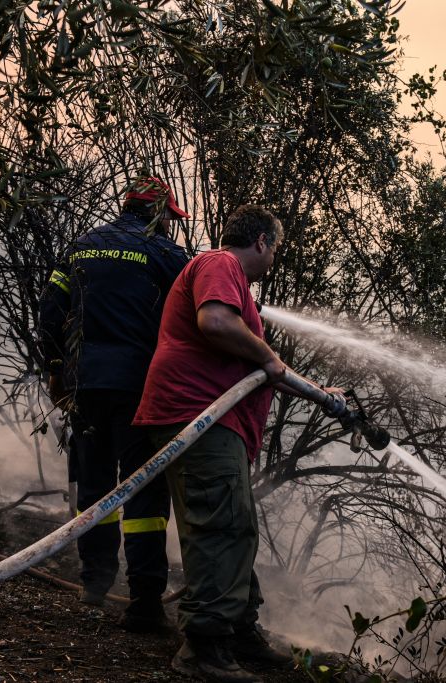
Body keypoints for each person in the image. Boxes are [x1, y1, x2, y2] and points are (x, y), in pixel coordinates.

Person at [134, 205, 341, 682]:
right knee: (221, 526)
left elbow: (260, 371)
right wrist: (268, 356)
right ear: (262, 242)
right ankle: (204, 648)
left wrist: (322, 395)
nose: (275, 260)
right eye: (276, 250)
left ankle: (238, 631)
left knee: (237, 525)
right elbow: (216, 325)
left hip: (211, 421)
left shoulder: (235, 291)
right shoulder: (220, 264)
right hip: (198, 417)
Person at [38, 176, 191, 632]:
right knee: (143, 489)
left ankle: (94, 585)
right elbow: (194, 310)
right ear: (159, 214)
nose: (169, 224)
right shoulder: (165, 254)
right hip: (138, 388)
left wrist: (55, 368)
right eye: (169, 216)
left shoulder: (81, 246)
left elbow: (50, 311)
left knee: (95, 487)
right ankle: (144, 601)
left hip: (84, 384)